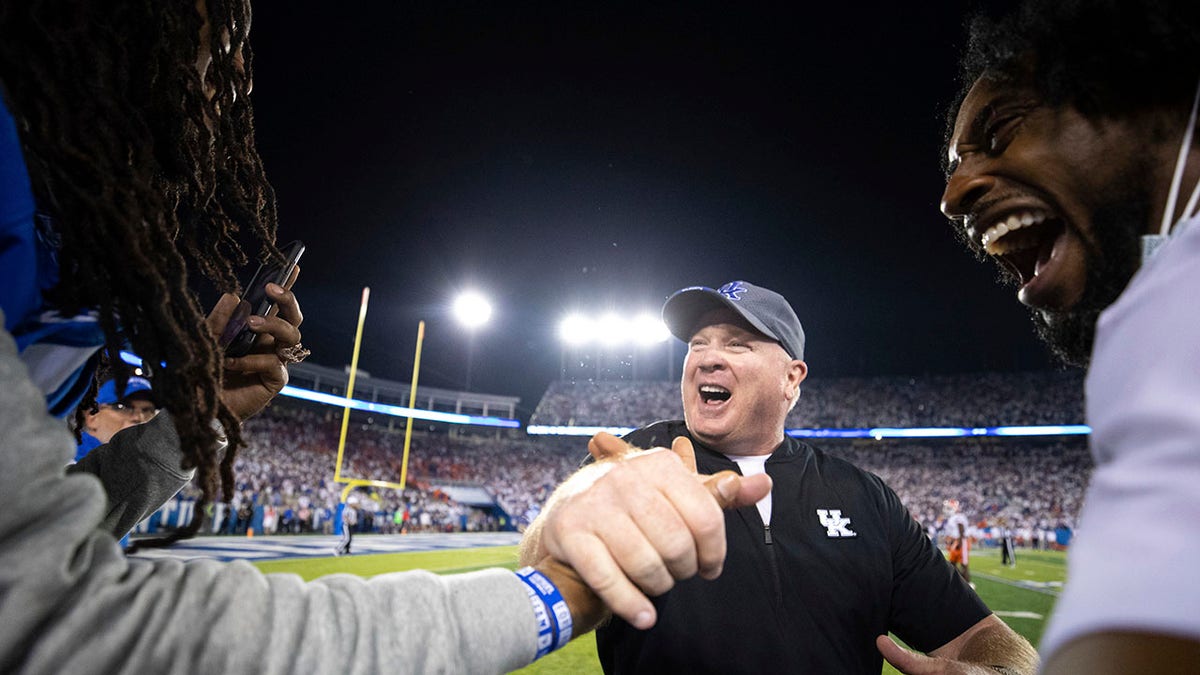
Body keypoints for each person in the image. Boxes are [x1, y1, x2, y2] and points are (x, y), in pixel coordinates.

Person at [522, 280, 1038, 674]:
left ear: (792, 378)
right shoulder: (633, 461)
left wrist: (995, 670)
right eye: (697, 344)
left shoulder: (864, 497)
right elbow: (536, 570)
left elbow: (981, 634)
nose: (707, 358)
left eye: (739, 344)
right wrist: (568, 518)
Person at [940, 2, 1200, 671]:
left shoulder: (1177, 297)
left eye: (999, 130)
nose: (954, 192)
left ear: (1153, 100)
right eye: (955, 162)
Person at [74, 374, 159, 463]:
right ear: (92, 417)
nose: (139, 418)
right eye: (122, 407)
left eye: (147, 410)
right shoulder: (64, 467)